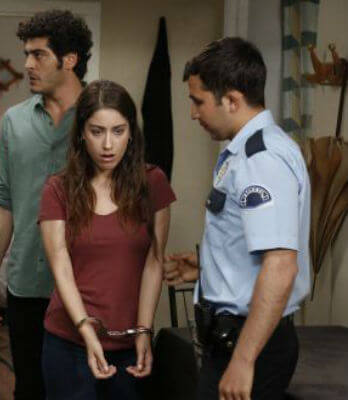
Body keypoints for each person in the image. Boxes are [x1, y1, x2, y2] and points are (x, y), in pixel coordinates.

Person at [167, 37, 311, 400]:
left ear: (231, 100)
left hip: (250, 344)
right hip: (234, 338)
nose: (193, 113)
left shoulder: (261, 160)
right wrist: (208, 267)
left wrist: (244, 360)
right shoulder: (248, 150)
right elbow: (255, 245)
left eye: (198, 101)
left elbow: (281, 266)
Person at [0, 9, 93, 399]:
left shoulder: (103, 118)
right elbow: (3, 202)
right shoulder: (14, 121)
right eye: (26, 54)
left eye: (38, 54)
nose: (27, 64)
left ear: (69, 59)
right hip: (26, 285)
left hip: (86, 285)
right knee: (29, 389)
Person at [38, 80, 175, 399]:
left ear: (131, 133)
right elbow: (60, 266)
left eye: (118, 131)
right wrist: (87, 331)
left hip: (130, 345)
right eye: (97, 131)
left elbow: (154, 261)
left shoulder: (153, 182)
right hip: (69, 343)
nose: (108, 144)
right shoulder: (57, 189)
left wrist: (144, 330)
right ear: (81, 134)